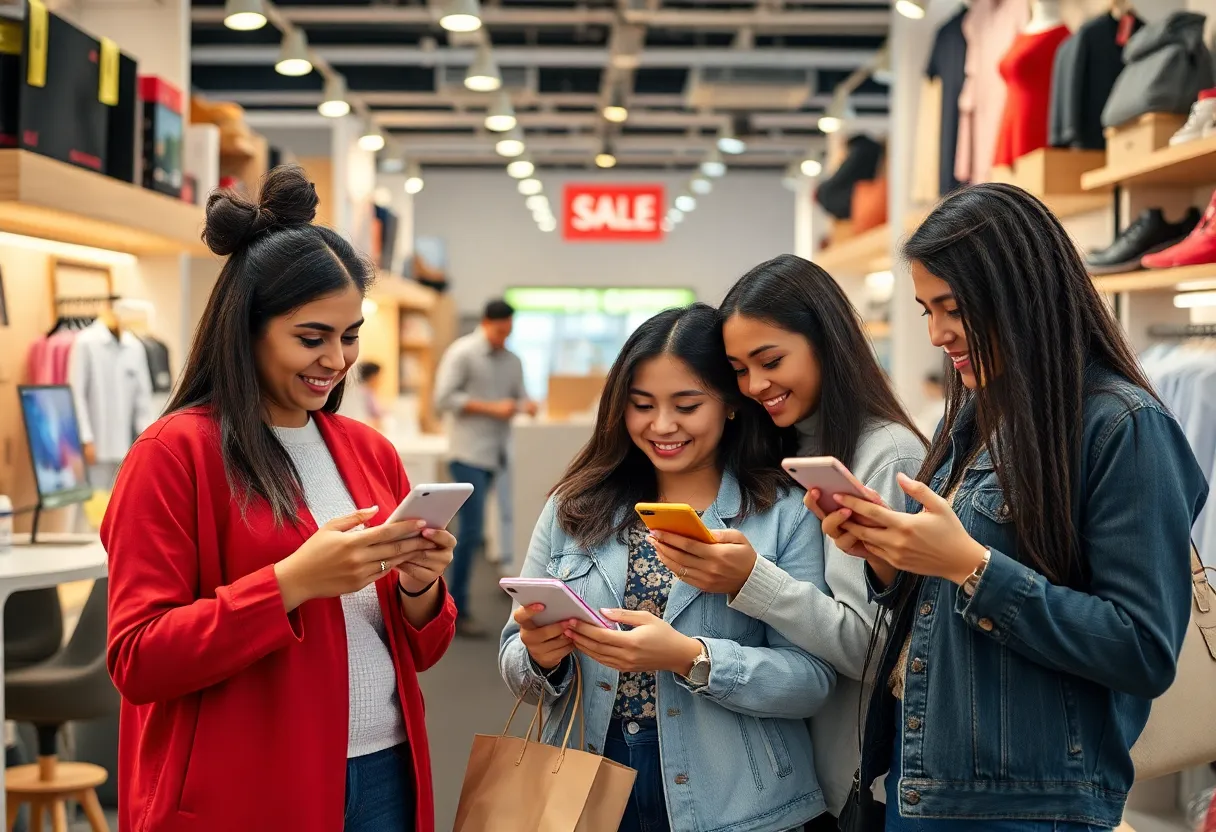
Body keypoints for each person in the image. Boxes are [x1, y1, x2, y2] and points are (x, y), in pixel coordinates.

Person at [813, 183, 1208, 831]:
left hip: (1027, 809)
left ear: (1021, 292)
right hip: (926, 792)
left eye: (953, 308)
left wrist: (972, 566)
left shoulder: (1121, 427)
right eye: (926, 311)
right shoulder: (979, 417)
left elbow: (1141, 649)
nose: (939, 333)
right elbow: (940, 614)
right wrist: (888, 558)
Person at [101, 165, 459, 832]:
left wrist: (419, 588)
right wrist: (291, 583)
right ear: (248, 329)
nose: (338, 359)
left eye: (350, 335)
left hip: (384, 771)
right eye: (311, 337)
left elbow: (421, 649)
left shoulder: (368, 451)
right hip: (245, 785)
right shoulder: (175, 454)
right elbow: (138, 658)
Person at [500, 303, 837, 832]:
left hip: (736, 799)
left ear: (728, 404)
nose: (662, 426)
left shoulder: (784, 514)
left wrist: (692, 659)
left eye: (686, 405)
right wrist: (541, 659)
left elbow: (812, 681)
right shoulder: (575, 506)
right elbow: (514, 657)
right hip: (588, 780)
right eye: (641, 405)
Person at [647, 254, 925, 827]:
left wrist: (752, 582)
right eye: (738, 370)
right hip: (785, 776)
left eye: (770, 361)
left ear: (825, 340)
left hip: (857, 775)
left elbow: (871, 650)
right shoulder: (780, 446)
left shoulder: (884, 456)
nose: (756, 386)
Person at [434, 298, 537, 637]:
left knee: (509, 521)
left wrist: (526, 405)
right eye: (499, 331)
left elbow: (519, 397)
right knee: (473, 531)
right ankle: (456, 608)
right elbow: (443, 399)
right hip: (466, 453)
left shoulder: (512, 360)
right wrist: (492, 408)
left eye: (508, 332)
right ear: (485, 322)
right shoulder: (462, 353)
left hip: (499, 454)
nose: (503, 338)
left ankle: (504, 579)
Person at [359, 361, 387, 430]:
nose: (381, 379)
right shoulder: (363, 393)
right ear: (372, 377)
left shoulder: (370, 392)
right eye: (379, 376)